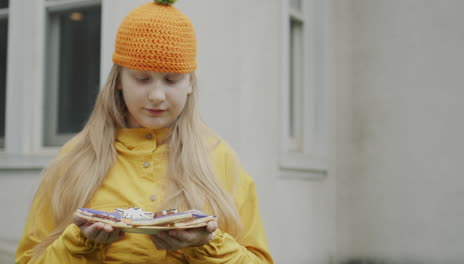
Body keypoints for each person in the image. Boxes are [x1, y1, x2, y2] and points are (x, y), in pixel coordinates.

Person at [15, 0, 274, 263]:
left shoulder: (220, 158)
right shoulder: (73, 159)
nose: (157, 95)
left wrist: (208, 244)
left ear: (190, 83)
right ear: (119, 80)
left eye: (172, 80)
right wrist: (79, 243)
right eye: (142, 78)